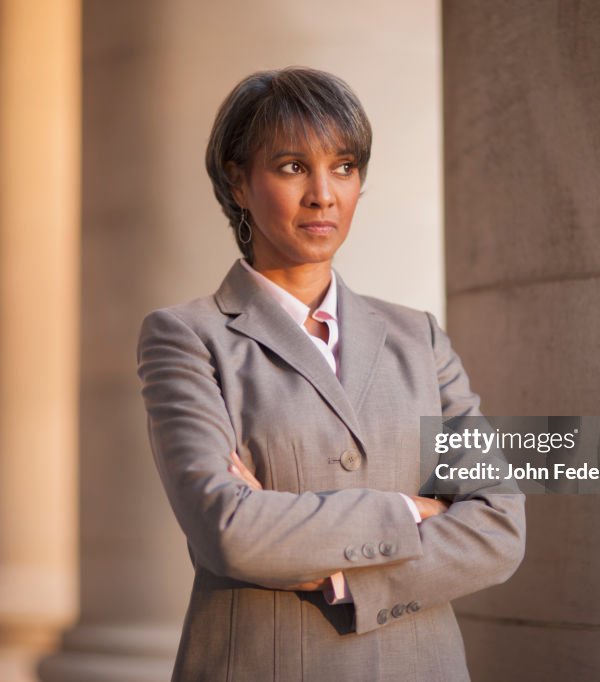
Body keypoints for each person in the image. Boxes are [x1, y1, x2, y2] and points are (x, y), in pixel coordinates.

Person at [137, 67, 525, 681]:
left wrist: (334, 571)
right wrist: (410, 509)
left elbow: (499, 526)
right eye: (292, 167)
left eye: (343, 167)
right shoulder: (187, 337)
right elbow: (229, 531)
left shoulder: (417, 337)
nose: (324, 194)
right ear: (238, 182)